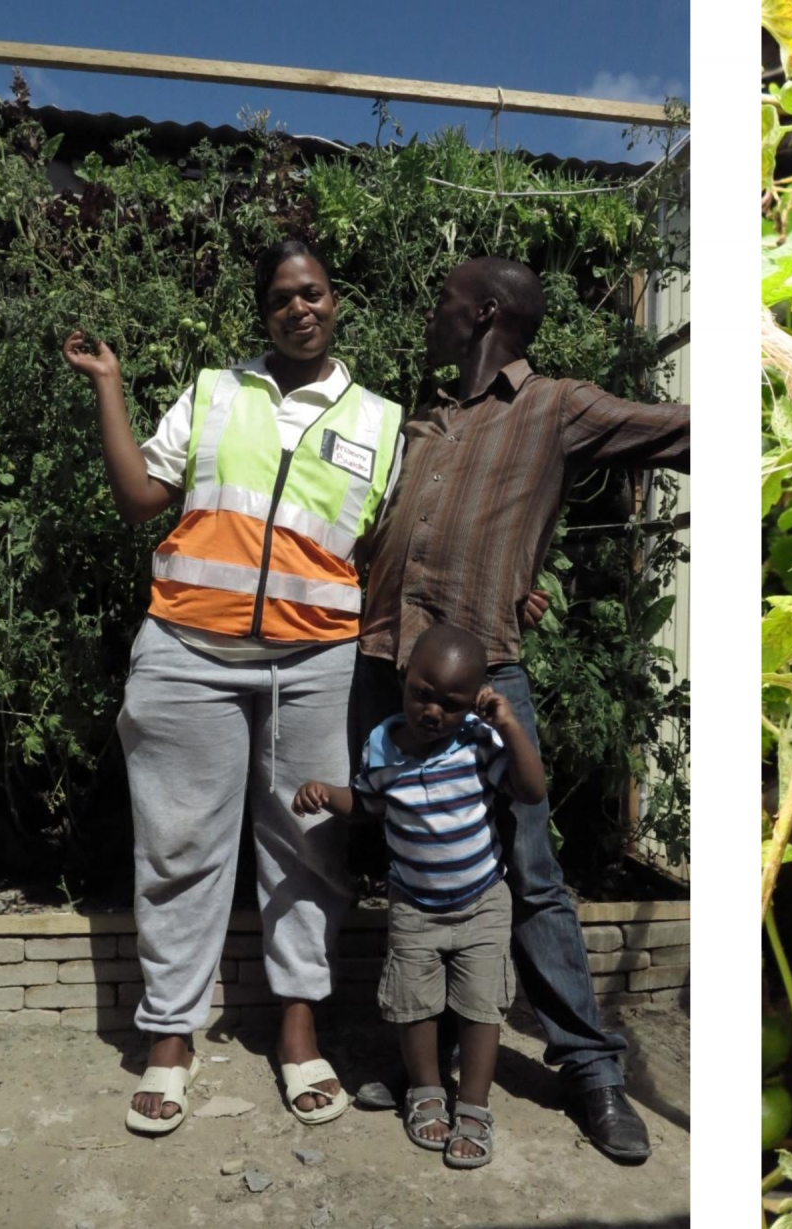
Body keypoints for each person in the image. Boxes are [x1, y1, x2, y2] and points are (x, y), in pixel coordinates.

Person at [350, 255, 688, 1162]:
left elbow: (687, 432)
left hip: (483, 678)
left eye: (443, 299)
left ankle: (591, 1071)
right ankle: (433, 1059)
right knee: (409, 854)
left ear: (484, 312)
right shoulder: (427, 421)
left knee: (532, 873)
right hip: (386, 662)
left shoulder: (554, 406)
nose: (432, 312)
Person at [61, 238, 403, 1135]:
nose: (301, 307)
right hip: (187, 649)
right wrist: (109, 383)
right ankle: (169, 1036)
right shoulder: (214, 392)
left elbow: (387, 553)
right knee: (178, 844)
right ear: (264, 312)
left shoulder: (381, 419)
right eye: (283, 296)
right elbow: (142, 498)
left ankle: (298, 1030)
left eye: (315, 292)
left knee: (311, 845)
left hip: (318, 657)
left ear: (337, 302)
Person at [293, 623, 542, 1168]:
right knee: (414, 1007)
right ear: (405, 679)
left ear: (473, 702)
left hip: (481, 903)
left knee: (481, 1010)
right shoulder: (382, 742)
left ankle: (473, 1107)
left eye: (451, 705)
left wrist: (509, 725)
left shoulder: (479, 741)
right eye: (422, 695)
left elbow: (530, 791)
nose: (432, 712)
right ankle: (426, 1093)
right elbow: (367, 803)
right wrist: (325, 795)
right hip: (413, 907)